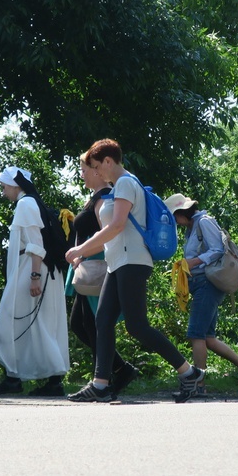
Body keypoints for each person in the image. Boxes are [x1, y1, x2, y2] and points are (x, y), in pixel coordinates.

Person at [65, 138, 203, 403]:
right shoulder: (122, 185)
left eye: (97, 166)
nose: (96, 172)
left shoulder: (127, 183)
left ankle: (189, 372)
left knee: (137, 326)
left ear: (108, 161)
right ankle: (101, 384)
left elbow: (116, 226)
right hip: (119, 263)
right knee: (102, 321)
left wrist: (81, 249)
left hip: (132, 262)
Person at [163, 193, 238, 394]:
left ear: (182, 212)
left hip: (208, 282)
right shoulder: (191, 227)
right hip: (199, 283)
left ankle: (199, 385)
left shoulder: (204, 222)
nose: (175, 222)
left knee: (195, 334)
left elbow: (217, 250)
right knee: (208, 338)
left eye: (175, 217)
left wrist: (193, 262)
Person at [64, 153, 138, 397]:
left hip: (95, 265)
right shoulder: (95, 197)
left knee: (94, 323)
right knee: (81, 323)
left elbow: (109, 231)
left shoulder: (105, 199)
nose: (83, 173)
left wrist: (83, 253)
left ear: (98, 171)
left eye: (86, 169)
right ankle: (117, 369)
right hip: (85, 264)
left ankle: (102, 380)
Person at [0, 166, 70, 395]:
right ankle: (44, 380)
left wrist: (34, 276)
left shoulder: (25, 204)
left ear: (16, 185)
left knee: (10, 320)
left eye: (5, 186)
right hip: (41, 269)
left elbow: (35, 243)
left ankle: (15, 378)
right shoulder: (32, 203)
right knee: (41, 324)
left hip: (33, 269)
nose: (4, 191)